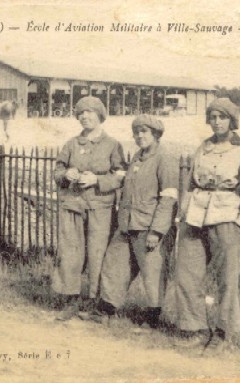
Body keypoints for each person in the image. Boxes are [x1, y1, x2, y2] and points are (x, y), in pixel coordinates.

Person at [175, 98, 240, 351]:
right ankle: (195, 327)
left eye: (222, 117)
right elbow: (192, 183)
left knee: (226, 278)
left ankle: (222, 332)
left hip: (226, 217)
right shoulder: (202, 147)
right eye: (213, 117)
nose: (217, 122)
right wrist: (183, 212)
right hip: (194, 217)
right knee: (187, 273)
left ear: (232, 120)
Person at [87, 115, 178, 329]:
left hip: (149, 226)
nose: (139, 136)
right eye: (136, 132)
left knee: (152, 273)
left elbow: (169, 197)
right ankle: (105, 309)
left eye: (144, 131)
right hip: (127, 224)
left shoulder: (165, 159)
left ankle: (152, 317)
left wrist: (157, 231)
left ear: (156, 134)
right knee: (114, 264)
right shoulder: (138, 157)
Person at [52, 96, 127, 321]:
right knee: (70, 254)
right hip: (73, 206)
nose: (85, 117)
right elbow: (57, 171)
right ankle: (70, 300)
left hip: (100, 208)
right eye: (81, 114)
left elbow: (121, 175)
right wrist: (66, 175)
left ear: (100, 115)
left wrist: (98, 180)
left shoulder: (112, 145)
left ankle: (94, 303)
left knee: (97, 254)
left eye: (90, 113)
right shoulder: (71, 144)